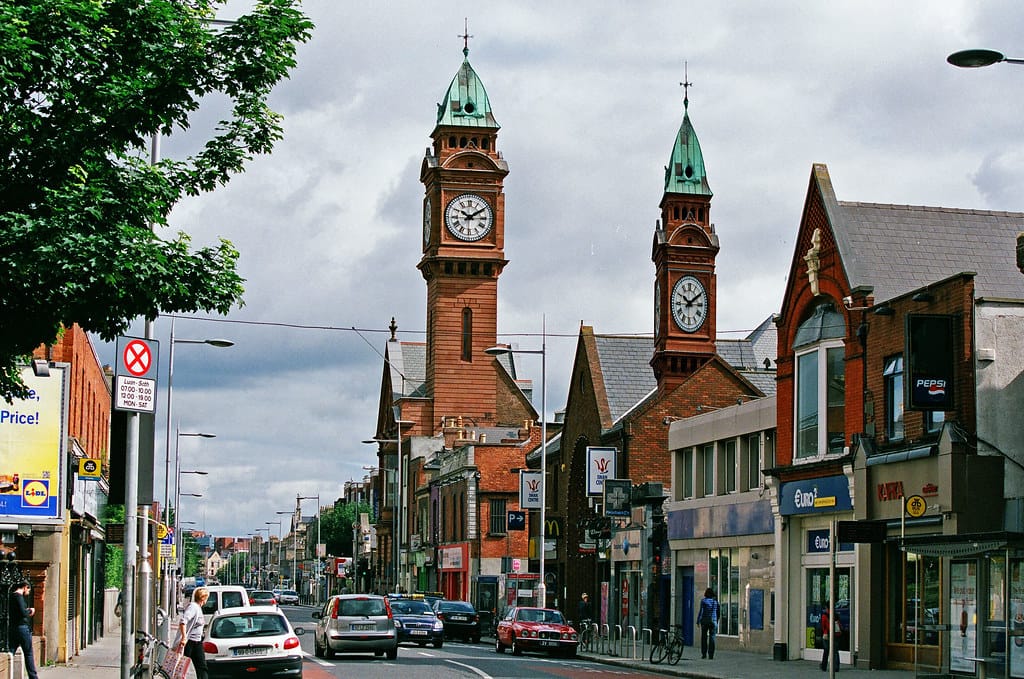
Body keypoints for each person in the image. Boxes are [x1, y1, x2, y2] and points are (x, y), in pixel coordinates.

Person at [178, 586, 210, 679]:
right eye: (207, 597)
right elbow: (183, 621)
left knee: (201, 667)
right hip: (190, 642)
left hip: (196, 642)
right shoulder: (193, 607)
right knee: (181, 667)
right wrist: (184, 638)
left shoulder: (197, 608)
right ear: (203, 598)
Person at [9, 579, 38, 679]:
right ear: (25, 587)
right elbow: (22, 612)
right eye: (28, 590)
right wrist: (30, 611)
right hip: (22, 628)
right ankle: (33, 677)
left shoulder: (11, 596)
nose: (28, 592)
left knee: (11, 650)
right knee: (28, 653)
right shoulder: (19, 597)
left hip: (13, 628)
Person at [696, 587, 719, 660]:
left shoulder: (703, 601)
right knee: (712, 638)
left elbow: (701, 611)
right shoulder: (715, 602)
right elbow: (718, 612)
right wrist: (716, 620)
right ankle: (711, 655)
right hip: (713, 621)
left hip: (705, 621)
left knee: (704, 638)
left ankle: (704, 654)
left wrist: (698, 621)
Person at [820, 601, 840, 672]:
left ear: (826, 607)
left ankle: (824, 666)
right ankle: (836, 667)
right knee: (835, 651)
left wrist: (824, 632)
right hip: (836, 634)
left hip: (827, 634)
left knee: (826, 650)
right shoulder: (836, 615)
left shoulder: (825, 615)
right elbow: (839, 625)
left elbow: (823, 626)